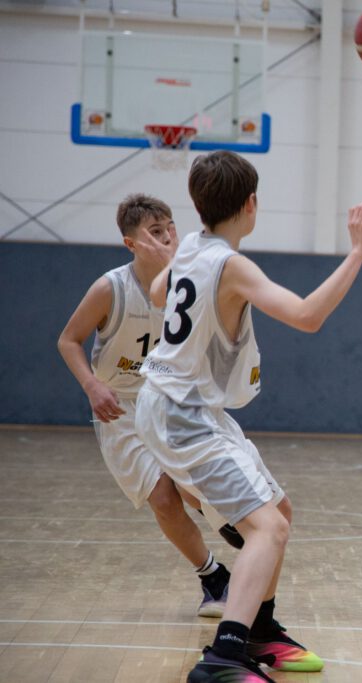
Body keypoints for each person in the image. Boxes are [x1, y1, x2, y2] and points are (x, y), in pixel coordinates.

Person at [135, 150, 362, 682]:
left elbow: (156, 292)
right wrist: (358, 251)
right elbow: (308, 316)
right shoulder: (230, 264)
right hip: (183, 412)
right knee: (267, 528)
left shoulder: (191, 246)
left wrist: (176, 264)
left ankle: (261, 631)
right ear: (251, 204)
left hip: (180, 404)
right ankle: (224, 656)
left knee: (278, 510)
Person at [57, 194, 240, 619]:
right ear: (131, 243)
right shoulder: (110, 288)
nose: (167, 237)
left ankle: (241, 532)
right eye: (155, 232)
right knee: (163, 497)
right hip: (120, 405)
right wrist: (91, 385)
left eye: (170, 228)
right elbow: (68, 340)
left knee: (194, 487)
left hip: (169, 398)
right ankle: (213, 578)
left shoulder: (186, 283)